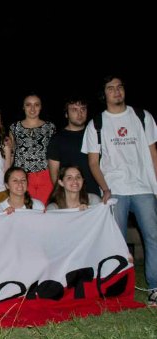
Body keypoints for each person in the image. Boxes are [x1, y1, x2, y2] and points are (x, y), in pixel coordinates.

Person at [82, 74, 157, 306]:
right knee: (115, 240)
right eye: (110, 88)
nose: (116, 91)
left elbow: (153, 153)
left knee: (153, 236)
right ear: (103, 94)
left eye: (119, 87)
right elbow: (93, 162)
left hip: (143, 187)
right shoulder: (97, 123)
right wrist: (105, 188)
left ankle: (154, 286)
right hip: (115, 190)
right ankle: (117, 286)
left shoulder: (142, 116)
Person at [9, 93, 56, 204]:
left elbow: (54, 154)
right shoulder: (14, 127)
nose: (32, 108)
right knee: (25, 210)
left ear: (41, 107)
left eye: (36, 105)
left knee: (45, 211)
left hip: (45, 175)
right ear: (23, 107)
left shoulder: (50, 127)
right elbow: (12, 153)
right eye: (28, 105)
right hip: (22, 177)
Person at [47, 95, 99, 195]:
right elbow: (54, 173)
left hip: (96, 195)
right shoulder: (57, 139)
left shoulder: (95, 135)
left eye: (83, 109)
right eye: (74, 110)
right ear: (66, 114)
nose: (80, 113)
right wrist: (62, 196)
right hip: (71, 196)